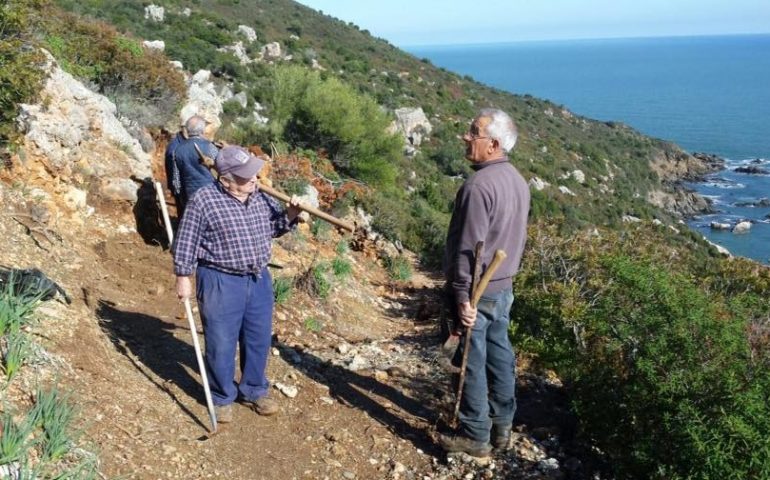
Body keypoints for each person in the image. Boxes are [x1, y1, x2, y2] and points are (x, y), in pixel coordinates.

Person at [173, 145, 303, 423]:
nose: (254, 179)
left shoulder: (261, 197)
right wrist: (183, 276)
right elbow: (186, 241)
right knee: (221, 341)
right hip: (220, 280)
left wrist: (290, 215)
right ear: (226, 179)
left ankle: (254, 390)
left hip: (258, 279)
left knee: (257, 338)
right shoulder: (203, 200)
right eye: (246, 176)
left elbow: (274, 228)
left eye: (254, 173)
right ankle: (221, 397)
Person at [439, 108, 530, 457]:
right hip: (502, 289)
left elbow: (468, 249)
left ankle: (476, 436)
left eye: (472, 132)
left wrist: (462, 298)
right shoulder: (517, 180)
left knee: (470, 360)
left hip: (477, 292)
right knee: (500, 355)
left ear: (492, 144)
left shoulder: (478, 187)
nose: (465, 137)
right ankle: (503, 427)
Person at [165, 115, 219, 216]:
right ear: (202, 130)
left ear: (187, 129)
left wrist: (180, 197)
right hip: (211, 193)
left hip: (189, 194)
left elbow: (176, 180)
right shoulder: (210, 147)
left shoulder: (177, 150)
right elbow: (220, 167)